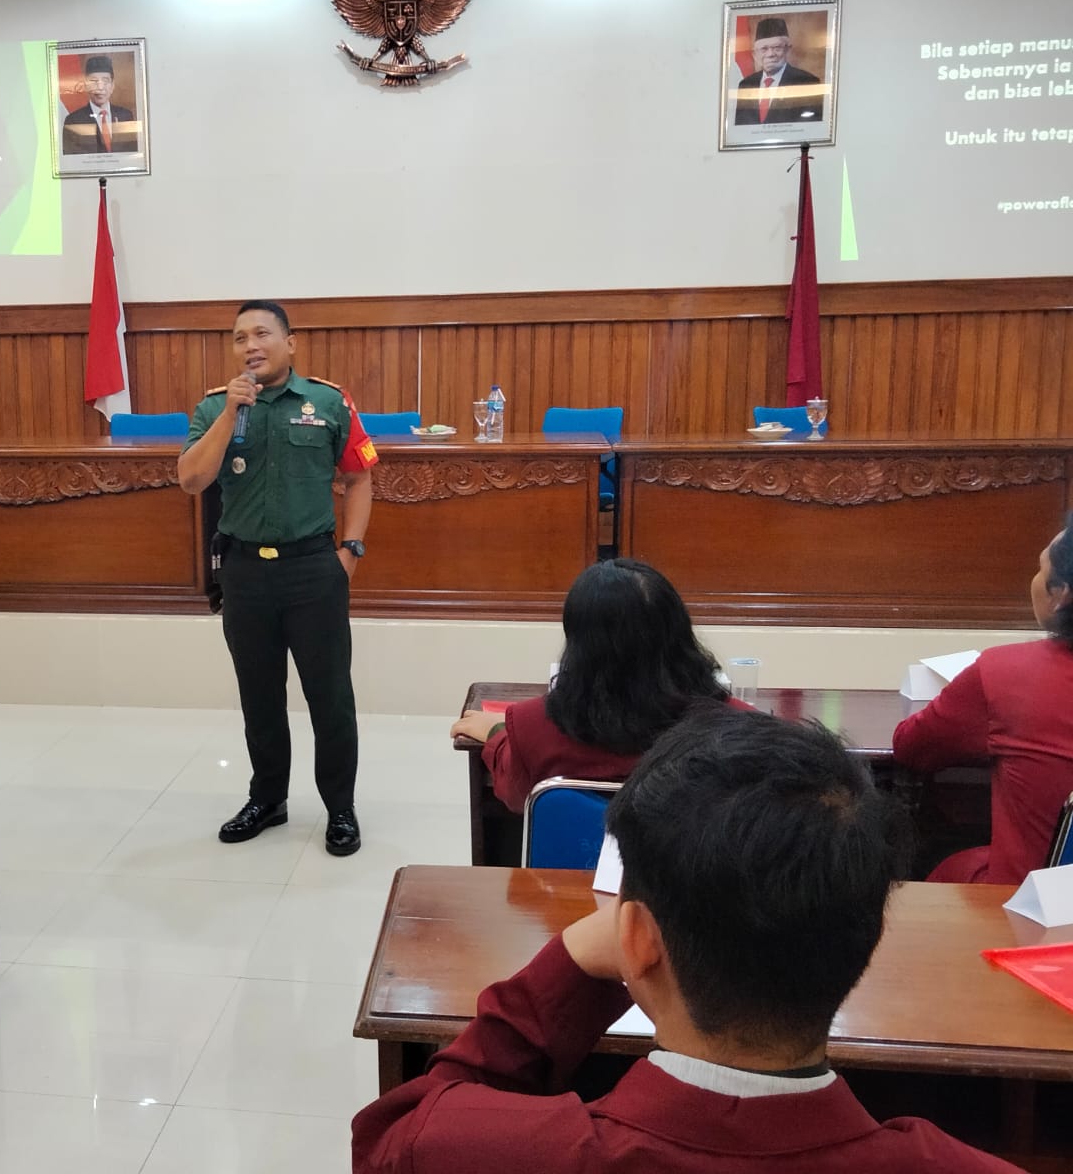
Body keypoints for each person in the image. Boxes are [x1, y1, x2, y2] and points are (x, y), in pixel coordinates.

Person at [353, 709, 1023, 1174]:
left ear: (637, 940)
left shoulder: (492, 1152)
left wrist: (565, 971)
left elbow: (390, 1138)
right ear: (867, 937)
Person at [178, 300, 377, 856]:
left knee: (330, 696)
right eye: (240, 338)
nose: (250, 346)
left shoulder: (328, 402)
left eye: (262, 334)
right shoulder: (216, 406)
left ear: (291, 343)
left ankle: (340, 807)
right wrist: (226, 417)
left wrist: (351, 550)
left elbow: (359, 477)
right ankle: (268, 798)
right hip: (244, 572)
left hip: (314, 570)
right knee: (258, 696)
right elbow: (192, 480)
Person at [450, 558, 745, 814]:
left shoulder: (532, 725)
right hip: (685, 878)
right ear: (681, 635)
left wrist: (496, 734)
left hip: (565, 877)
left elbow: (515, 796)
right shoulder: (737, 726)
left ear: (579, 646)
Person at [893, 517, 1073, 884]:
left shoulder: (1006, 673)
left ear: (1061, 595)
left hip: (1030, 909)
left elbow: (911, 746)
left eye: (1040, 569)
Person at [733, 16, 824, 126]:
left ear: (787, 49)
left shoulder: (807, 82)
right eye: (764, 49)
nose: (771, 54)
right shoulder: (746, 84)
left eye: (777, 47)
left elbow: (812, 126)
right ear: (755, 53)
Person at [61, 54, 138, 155]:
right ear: (86, 85)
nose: (100, 87)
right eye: (94, 81)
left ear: (112, 85)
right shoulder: (73, 120)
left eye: (105, 81)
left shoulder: (125, 116)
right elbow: (72, 160)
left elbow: (132, 153)